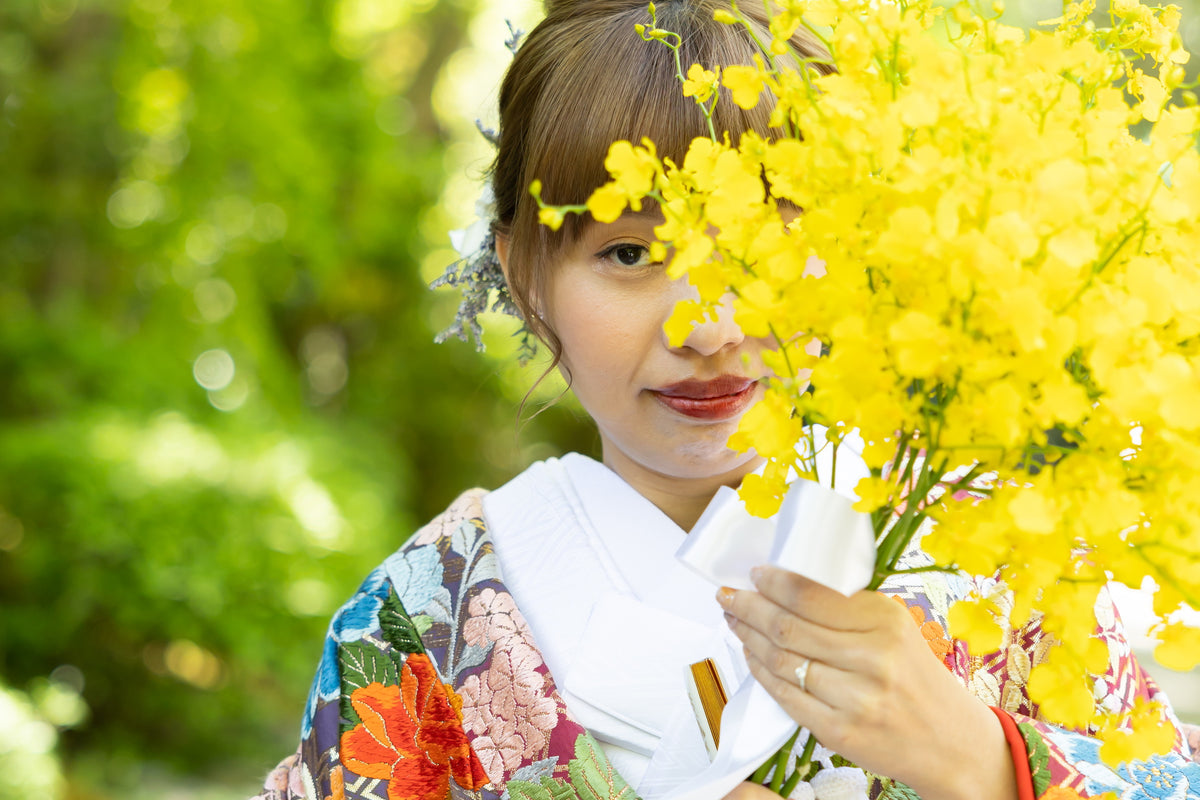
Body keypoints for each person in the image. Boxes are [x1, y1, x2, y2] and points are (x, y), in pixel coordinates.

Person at [252, 1, 1200, 798]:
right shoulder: (422, 623)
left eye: (773, 245)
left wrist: (983, 762)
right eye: (627, 254)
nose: (707, 327)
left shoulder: (997, 563)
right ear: (527, 275)